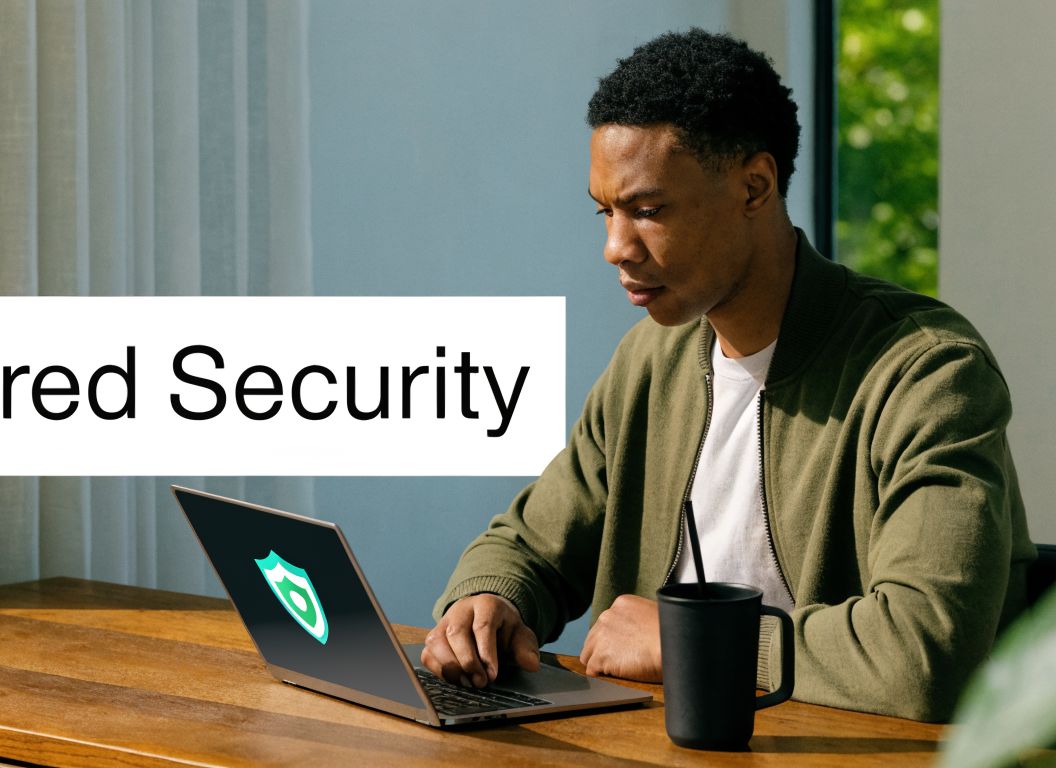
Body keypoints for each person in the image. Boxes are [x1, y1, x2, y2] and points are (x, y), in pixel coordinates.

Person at [421, 28, 1034, 722]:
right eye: (606, 211)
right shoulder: (653, 362)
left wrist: (694, 642)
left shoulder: (927, 373)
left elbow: (928, 649)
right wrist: (488, 600)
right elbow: (531, 543)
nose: (615, 248)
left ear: (755, 186)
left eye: (648, 210)